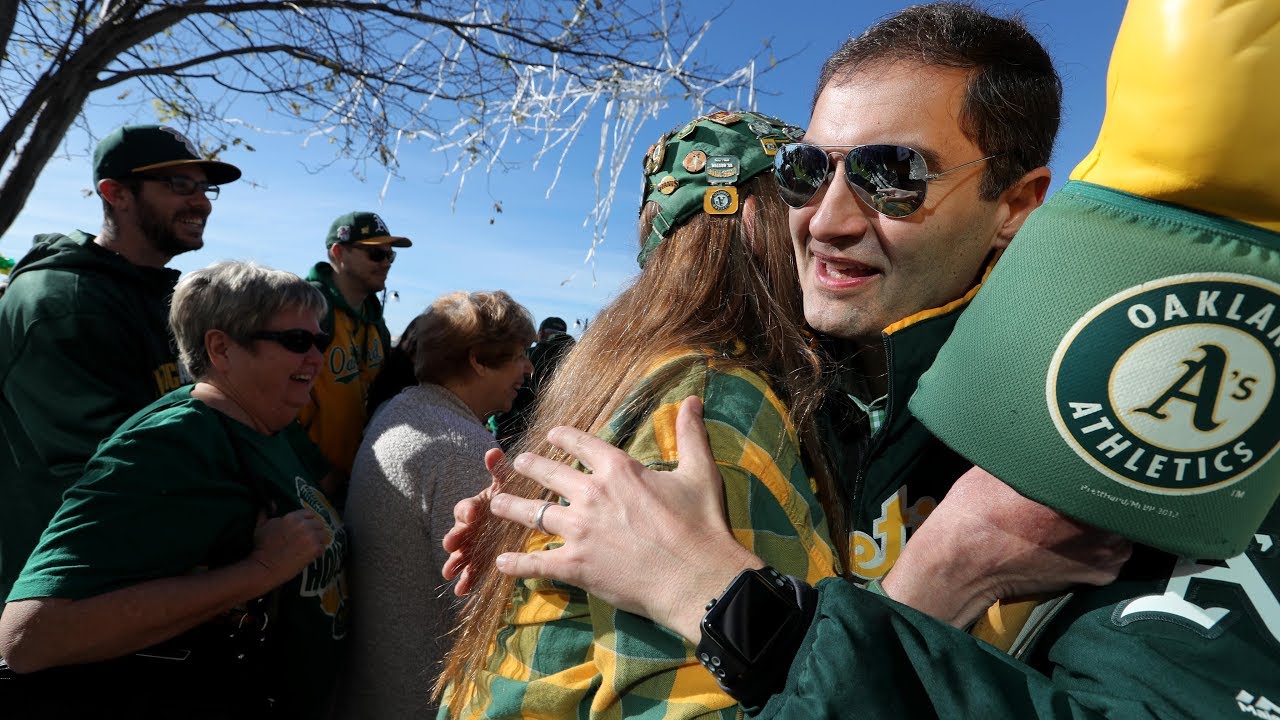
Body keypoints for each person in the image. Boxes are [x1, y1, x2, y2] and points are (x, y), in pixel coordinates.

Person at [459, 0, 1280, 717]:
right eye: (807, 170)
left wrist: (748, 600)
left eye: (894, 174)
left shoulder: (1104, 409)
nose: (826, 219)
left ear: (1017, 205)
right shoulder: (765, 384)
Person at [434, 111, 846, 719]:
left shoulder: (623, 366)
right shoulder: (710, 403)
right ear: (756, 219)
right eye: (802, 188)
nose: (831, 221)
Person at [0, 260, 349, 717]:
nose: (316, 356)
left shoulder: (270, 423)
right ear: (221, 348)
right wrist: (261, 569)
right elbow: (29, 637)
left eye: (321, 340)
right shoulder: (172, 444)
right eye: (297, 341)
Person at [0, 124, 241, 598]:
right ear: (115, 193)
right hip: (64, 595)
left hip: (134, 574)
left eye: (202, 187)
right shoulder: (64, 302)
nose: (202, 202)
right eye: (179, 185)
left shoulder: (153, 294)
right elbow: (108, 468)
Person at [339, 290, 535, 719]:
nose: (529, 368)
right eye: (520, 354)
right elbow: (492, 610)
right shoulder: (459, 450)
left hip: (376, 687)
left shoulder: (401, 411)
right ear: (480, 359)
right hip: (422, 699)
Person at [299, 210, 411, 490]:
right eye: (376, 255)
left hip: (355, 479)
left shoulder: (377, 324)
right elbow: (269, 402)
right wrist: (320, 471)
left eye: (390, 255)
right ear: (338, 252)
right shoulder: (307, 310)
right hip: (305, 482)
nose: (386, 263)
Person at [493, 315, 576, 449]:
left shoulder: (526, 355)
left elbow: (505, 388)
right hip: (554, 434)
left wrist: (499, 421)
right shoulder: (575, 361)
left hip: (513, 430)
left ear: (541, 333)